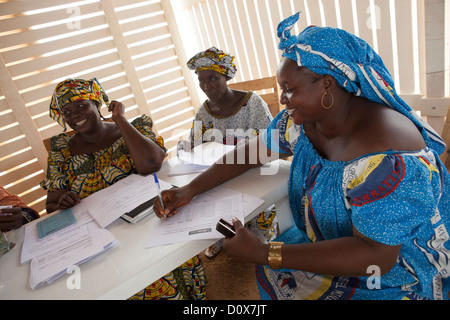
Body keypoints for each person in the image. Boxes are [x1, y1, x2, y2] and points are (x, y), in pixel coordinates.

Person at [154, 12, 450, 300]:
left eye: (289, 89)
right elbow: (251, 153)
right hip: (327, 242)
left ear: (326, 84)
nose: (282, 99)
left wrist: (263, 253)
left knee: (276, 266)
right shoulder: (303, 123)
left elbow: (376, 256)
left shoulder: (387, 159)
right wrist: (190, 189)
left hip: (391, 277)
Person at [40, 78, 206, 300]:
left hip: (154, 223)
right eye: (67, 111)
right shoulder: (62, 152)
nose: (75, 116)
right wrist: (62, 203)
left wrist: (120, 120)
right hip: (109, 241)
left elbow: (151, 164)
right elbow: (51, 205)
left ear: (97, 103)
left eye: (81, 106)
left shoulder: (132, 129)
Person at [182, 46, 277, 258]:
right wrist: (187, 149)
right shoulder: (203, 113)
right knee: (209, 199)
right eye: (202, 81)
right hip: (221, 175)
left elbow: (268, 146)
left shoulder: (253, 104)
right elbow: (195, 147)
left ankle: (255, 243)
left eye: (213, 78)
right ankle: (223, 238)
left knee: (256, 227)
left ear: (226, 76)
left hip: (255, 171)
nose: (207, 86)